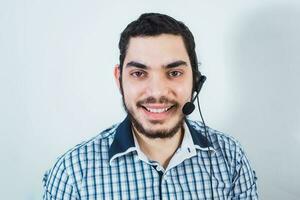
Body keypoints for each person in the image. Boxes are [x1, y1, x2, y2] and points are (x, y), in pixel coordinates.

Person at [43, 13, 258, 200]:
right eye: (139, 73)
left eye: (174, 73)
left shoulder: (231, 158)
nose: (157, 92)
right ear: (120, 79)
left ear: (196, 80)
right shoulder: (72, 173)